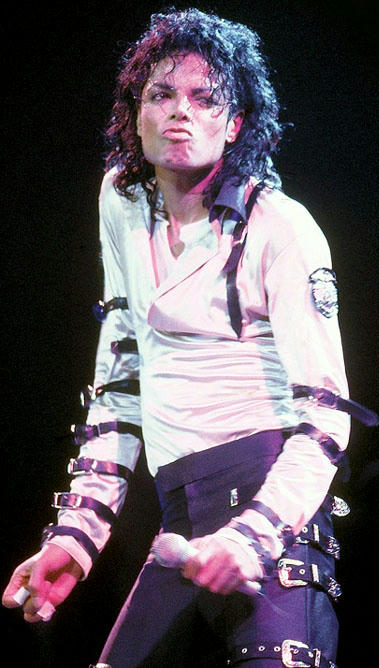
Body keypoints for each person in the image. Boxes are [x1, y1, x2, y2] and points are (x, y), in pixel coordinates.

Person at [3, 8, 355, 667]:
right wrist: (76, 535)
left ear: (235, 123)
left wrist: (251, 537)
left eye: (204, 98)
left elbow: (327, 419)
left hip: (271, 517)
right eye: (161, 94)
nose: (179, 112)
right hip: (181, 519)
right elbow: (120, 375)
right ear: (135, 111)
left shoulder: (280, 228)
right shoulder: (120, 201)